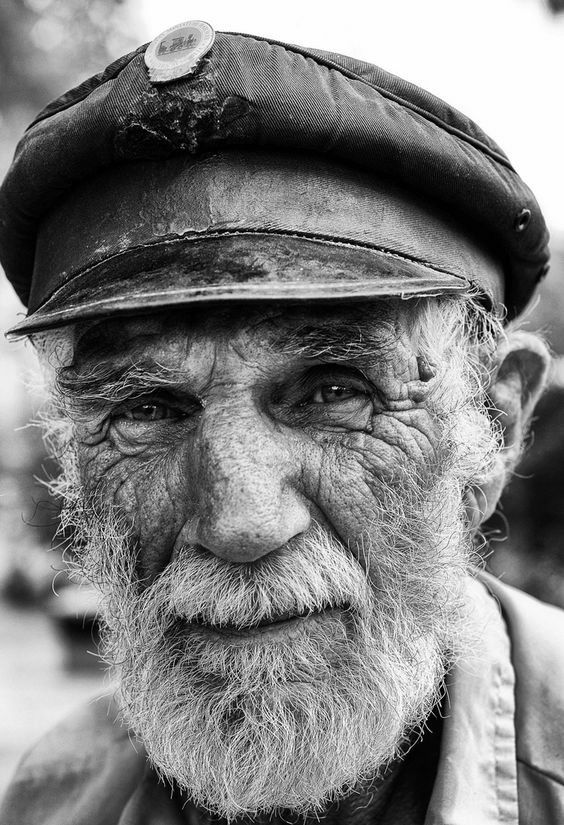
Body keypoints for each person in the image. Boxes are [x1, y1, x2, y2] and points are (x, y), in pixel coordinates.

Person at [1, 21, 563, 825]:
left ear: (493, 424)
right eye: (147, 409)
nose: (239, 521)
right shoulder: (50, 797)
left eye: (336, 391)